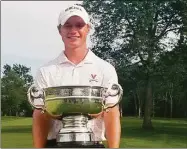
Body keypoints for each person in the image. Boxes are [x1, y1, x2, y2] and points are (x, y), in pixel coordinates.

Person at [32, 4, 121, 148]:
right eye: (67, 26)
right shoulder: (46, 71)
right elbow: (40, 115)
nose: (73, 30)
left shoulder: (105, 69)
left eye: (79, 25)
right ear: (60, 30)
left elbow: (111, 114)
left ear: (88, 28)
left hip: (93, 144)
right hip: (55, 144)